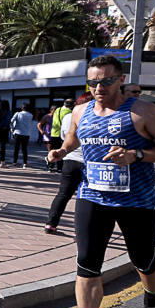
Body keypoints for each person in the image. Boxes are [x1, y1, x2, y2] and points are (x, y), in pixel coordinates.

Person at [48, 55, 155, 308]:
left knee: (143, 261)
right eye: (93, 81)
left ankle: (153, 296)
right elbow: (72, 141)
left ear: (120, 80)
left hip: (137, 202)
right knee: (86, 263)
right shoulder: (80, 111)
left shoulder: (143, 112)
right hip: (92, 197)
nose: (99, 86)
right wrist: (60, 151)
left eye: (106, 80)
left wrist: (136, 155)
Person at [44, 93, 91, 234]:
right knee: (86, 197)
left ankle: (50, 223)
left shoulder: (67, 117)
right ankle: (82, 230)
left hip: (69, 159)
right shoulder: (94, 116)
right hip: (87, 161)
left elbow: (64, 136)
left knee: (63, 194)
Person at [48, 98, 73, 172]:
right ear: (71, 106)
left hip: (54, 133)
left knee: (53, 150)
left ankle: (50, 166)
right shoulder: (69, 112)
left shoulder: (57, 109)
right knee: (61, 151)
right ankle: (59, 168)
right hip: (61, 135)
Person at [10, 103, 37, 169]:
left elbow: (11, 121)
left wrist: (12, 128)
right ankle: (25, 163)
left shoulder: (18, 113)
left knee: (16, 149)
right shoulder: (31, 115)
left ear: (22, 108)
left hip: (18, 133)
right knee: (24, 149)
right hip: (26, 134)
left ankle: (14, 162)